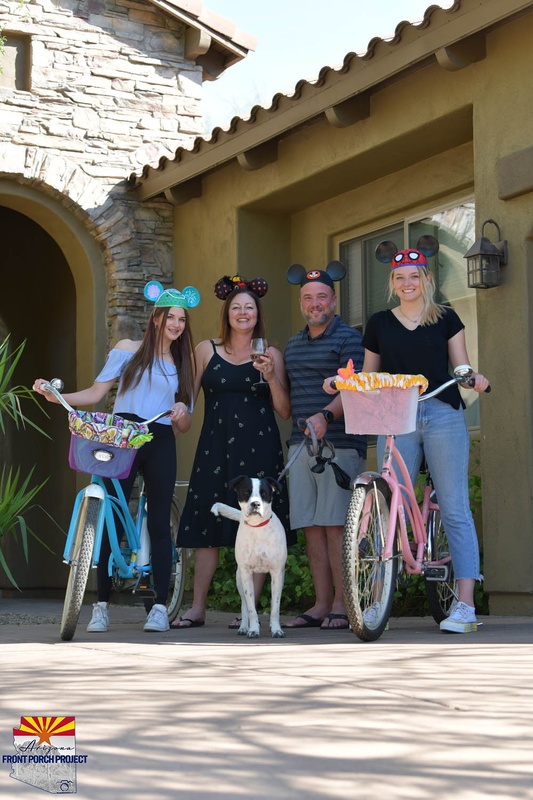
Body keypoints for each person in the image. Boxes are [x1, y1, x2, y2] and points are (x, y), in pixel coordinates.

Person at [339, 236, 488, 633]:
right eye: (400, 277)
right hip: (395, 415)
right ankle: (376, 594)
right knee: (389, 497)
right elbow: (370, 375)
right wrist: (344, 384)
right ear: (392, 281)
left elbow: (462, 367)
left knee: (454, 507)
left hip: (442, 412)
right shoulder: (380, 323)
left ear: (426, 279)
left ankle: (465, 606)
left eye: (415, 276)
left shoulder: (446, 318)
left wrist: (475, 378)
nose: (408, 283)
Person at [33, 280, 200, 633]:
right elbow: (96, 393)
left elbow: (184, 422)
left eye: (181, 320)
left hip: (160, 436)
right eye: (170, 317)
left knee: (158, 521)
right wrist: (54, 396)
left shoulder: (184, 362)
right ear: (156, 318)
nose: (176, 324)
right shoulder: (128, 350)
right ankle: (102, 605)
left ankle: (158, 607)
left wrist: (182, 412)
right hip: (121, 436)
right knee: (108, 512)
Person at [174, 274, 293, 629]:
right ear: (227, 314)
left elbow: (285, 410)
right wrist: (178, 418)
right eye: (236, 308)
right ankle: (197, 608)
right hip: (214, 447)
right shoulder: (206, 350)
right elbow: (187, 402)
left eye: (250, 308)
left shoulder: (270, 354)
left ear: (258, 315)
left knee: (260, 528)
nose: (243, 313)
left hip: (260, 449)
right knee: (206, 525)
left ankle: (250, 612)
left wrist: (271, 376)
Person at [283, 262, 367, 630]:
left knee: (335, 525)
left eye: (321, 297)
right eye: (308, 298)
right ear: (301, 302)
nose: (315, 303)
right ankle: (320, 603)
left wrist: (325, 417)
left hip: (341, 443)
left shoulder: (350, 338)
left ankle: (342, 603)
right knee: (310, 526)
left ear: (334, 300)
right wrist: (271, 377)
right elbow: (287, 398)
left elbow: (355, 387)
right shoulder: (292, 343)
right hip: (300, 444)